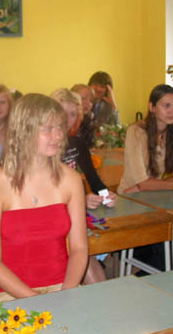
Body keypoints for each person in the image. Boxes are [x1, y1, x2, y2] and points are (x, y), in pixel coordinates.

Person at [0, 93, 88, 304]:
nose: (57, 135)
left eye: (59, 127)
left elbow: (79, 249)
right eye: (48, 129)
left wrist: (67, 292)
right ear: (24, 131)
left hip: (63, 288)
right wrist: (36, 300)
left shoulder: (72, 180)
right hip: (11, 293)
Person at [118, 84, 173, 270]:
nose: (172, 111)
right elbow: (142, 182)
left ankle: (158, 280)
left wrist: (150, 185)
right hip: (133, 204)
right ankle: (147, 282)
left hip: (161, 203)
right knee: (169, 252)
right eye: (166, 105)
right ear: (152, 107)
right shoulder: (136, 132)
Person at [51, 88, 116, 284]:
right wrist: (80, 200)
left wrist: (107, 195)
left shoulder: (77, 144)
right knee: (86, 260)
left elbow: (95, 181)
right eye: (62, 112)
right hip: (53, 222)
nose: (67, 119)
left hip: (76, 219)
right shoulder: (43, 146)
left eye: (72, 114)